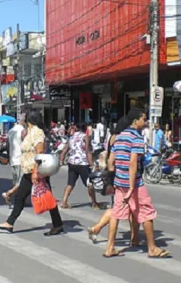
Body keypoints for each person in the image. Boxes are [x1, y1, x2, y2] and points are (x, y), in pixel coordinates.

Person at [104, 108, 169, 258]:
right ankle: (152, 248)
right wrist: (131, 186)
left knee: (116, 213)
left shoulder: (119, 137)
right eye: (143, 119)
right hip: (134, 183)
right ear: (135, 121)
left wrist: (115, 178)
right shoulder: (136, 138)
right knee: (146, 213)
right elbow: (133, 162)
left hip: (119, 182)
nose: (145, 122)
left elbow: (110, 162)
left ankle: (110, 247)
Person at [0, 109, 64, 236]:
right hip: (29, 170)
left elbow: (40, 152)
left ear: (29, 120)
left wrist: (36, 172)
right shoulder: (30, 132)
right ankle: (57, 224)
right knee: (38, 196)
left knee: (23, 197)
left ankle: (10, 223)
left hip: (34, 170)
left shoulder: (37, 132)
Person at [59, 123, 99, 209]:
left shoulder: (72, 137)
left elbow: (64, 151)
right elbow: (88, 151)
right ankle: (94, 202)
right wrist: (92, 165)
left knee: (70, 183)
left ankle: (64, 202)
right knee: (89, 184)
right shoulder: (85, 137)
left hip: (72, 163)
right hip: (82, 164)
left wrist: (61, 160)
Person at [2, 114, 26, 207]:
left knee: (15, 181)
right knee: (21, 182)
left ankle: (18, 199)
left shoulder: (11, 130)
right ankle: (8, 194)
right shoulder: (23, 131)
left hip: (13, 158)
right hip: (20, 159)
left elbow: (7, 144)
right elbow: (25, 145)